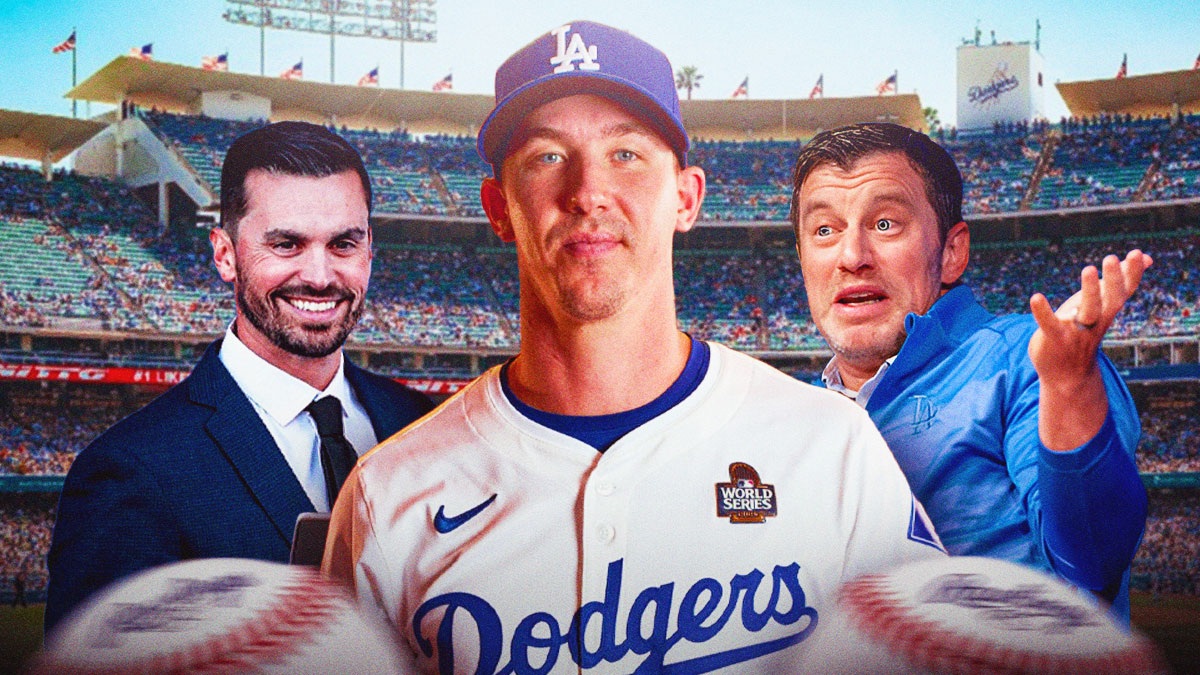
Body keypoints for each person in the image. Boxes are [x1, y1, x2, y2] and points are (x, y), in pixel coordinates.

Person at [324, 21, 944, 673]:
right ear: (499, 207)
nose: (588, 191)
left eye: (626, 154)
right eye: (546, 156)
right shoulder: (385, 498)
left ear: (686, 197)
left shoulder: (832, 447)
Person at [45, 122, 434, 632]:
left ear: (369, 252)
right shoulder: (131, 470)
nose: (319, 276)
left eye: (343, 244)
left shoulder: (426, 425)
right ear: (225, 254)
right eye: (287, 244)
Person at [789, 122, 1149, 620]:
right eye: (824, 230)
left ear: (952, 252)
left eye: (886, 224)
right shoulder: (792, 419)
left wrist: (1068, 389)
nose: (852, 257)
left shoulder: (1025, 359)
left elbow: (1090, 561)